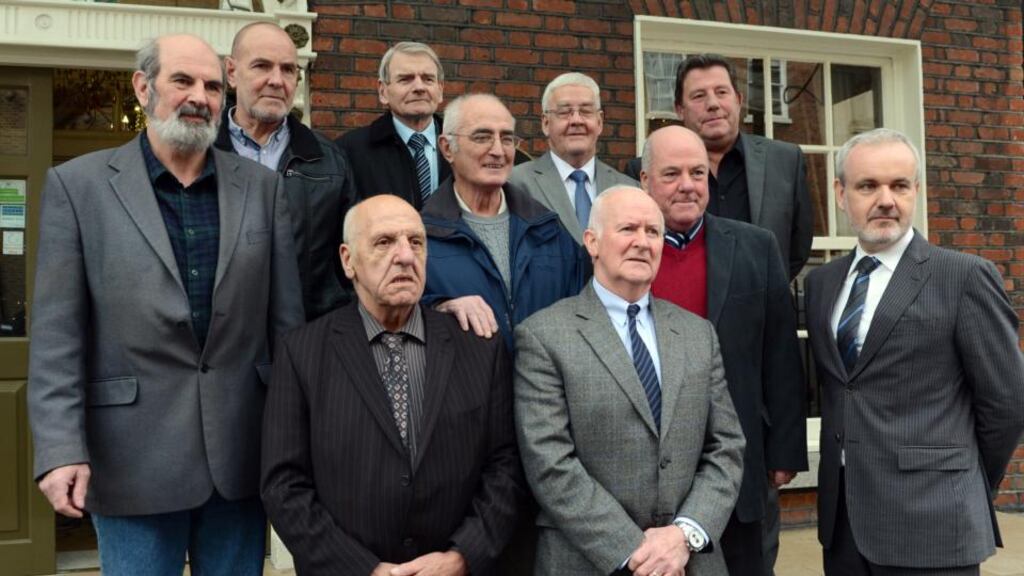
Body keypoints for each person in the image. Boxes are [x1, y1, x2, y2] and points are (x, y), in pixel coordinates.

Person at [29, 34, 304, 575]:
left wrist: (293, 446)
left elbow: (287, 328)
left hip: (240, 458)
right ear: (144, 87)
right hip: (130, 459)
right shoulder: (77, 187)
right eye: (182, 80)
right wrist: (60, 448)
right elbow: (58, 336)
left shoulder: (262, 189)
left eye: (211, 85)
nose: (198, 96)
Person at [261, 195, 525, 576]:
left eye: (416, 242)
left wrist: (462, 556)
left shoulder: (478, 347)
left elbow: (506, 466)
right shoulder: (302, 352)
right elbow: (283, 485)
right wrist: (362, 569)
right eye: (384, 242)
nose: (405, 256)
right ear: (348, 260)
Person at [804, 128, 1024, 575]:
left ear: (916, 192)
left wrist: (962, 479)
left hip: (934, 522)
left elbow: (1007, 404)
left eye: (899, 185)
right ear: (841, 193)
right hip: (844, 524)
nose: (886, 199)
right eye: (868, 186)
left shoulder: (963, 277)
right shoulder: (821, 284)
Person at [514, 185, 745, 576]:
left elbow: (727, 446)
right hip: (587, 560)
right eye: (627, 230)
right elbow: (550, 464)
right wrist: (636, 552)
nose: (642, 242)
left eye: (653, 232)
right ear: (592, 242)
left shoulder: (697, 334)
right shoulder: (544, 335)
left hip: (687, 560)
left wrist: (682, 535)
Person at [640, 125, 807, 576]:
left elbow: (780, 352)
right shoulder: (625, 252)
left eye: (697, 172)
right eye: (671, 173)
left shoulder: (755, 246)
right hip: (647, 462)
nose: (687, 185)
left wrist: (786, 449)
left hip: (736, 455)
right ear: (644, 181)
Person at [421, 93, 587, 348]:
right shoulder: (421, 237)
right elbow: (396, 316)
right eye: (482, 137)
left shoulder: (548, 230)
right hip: (468, 385)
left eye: (507, 138)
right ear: (446, 148)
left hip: (542, 386)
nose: (498, 151)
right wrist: (438, 309)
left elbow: (583, 312)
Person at [626, 54, 812, 281]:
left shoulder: (785, 160)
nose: (713, 104)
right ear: (679, 109)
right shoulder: (642, 171)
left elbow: (798, 247)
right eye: (698, 96)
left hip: (759, 308)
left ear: (739, 100)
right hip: (679, 307)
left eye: (722, 92)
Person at [217, 21, 357, 321]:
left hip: (307, 337)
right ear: (231, 73)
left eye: (288, 69)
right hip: (219, 345)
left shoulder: (330, 161)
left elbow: (353, 261)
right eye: (262, 66)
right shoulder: (198, 154)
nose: (276, 80)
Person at [509, 72, 636, 243]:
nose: (576, 120)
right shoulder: (516, 184)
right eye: (564, 112)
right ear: (546, 123)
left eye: (586, 111)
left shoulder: (629, 189)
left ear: (600, 122)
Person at [337, 41, 451, 210]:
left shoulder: (462, 145)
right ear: (383, 91)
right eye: (405, 79)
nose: (419, 87)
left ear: (440, 90)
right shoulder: (349, 151)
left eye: (428, 79)